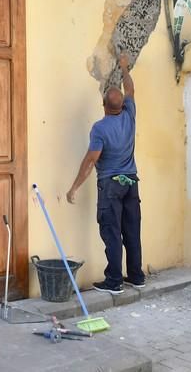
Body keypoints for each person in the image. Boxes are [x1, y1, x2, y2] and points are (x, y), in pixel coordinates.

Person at [65, 53, 146, 295]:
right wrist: (124, 68)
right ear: (121, 105)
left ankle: (114, 281)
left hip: (110, 186)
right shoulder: (130, 114)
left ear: (103, 104)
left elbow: (91, 159)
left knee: (111, 232)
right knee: (131, 230)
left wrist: (74, 187)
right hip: (131, 183)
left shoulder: (100, 129)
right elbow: (130, 89)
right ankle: (136, 276)